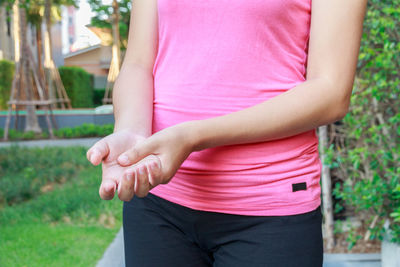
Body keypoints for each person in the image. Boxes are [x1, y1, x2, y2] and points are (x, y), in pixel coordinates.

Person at [86, 0, 367, 266]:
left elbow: (331, 91)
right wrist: (133, 134)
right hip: (156, 200)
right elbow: (138, 63)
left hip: (269, 205)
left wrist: (193, 136)